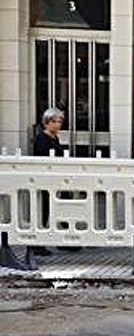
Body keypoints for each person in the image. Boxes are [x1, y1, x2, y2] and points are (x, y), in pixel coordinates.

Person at [32, 108, 67, 256]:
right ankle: (37, 243)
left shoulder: (55, 138)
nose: (57, 124)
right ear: (46, 122)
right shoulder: (42, 138)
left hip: (57, 179)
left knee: (63, 206)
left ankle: (66, 239)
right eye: (54, 121)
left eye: (60, 121)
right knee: (44, 210)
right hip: (45, 180)